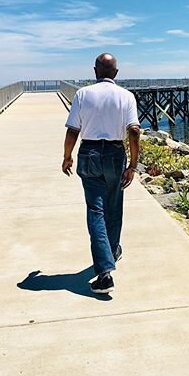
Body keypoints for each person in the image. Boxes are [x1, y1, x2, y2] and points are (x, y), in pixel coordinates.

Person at [62, 53, 141, 294]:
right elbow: (135, 131)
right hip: (116, 155)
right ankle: (112, 251)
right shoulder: (127, 96)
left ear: (95, 70)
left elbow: (73, 130)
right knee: (114, 206)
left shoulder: (83, 94)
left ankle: (105, 272)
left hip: (90, 153)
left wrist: (67, 156)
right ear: (116, 73)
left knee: (95, 210)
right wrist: (133, 165)